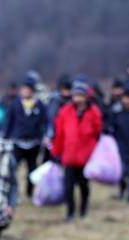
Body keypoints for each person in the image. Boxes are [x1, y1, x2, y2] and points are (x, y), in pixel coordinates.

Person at [52, 81, 102, 221]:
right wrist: (56, 152)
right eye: (76, 95)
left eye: (81, 95)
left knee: (83, 185)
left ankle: (84, 209)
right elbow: (60, 133)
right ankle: (70, 212)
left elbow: (98, 132)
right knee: (68, 187)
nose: (78, 98)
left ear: (86, 97)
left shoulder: (93, 112)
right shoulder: (65, 111)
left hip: (86, 157)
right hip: (69, 156)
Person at [2, 77, 48, 197]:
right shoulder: (15, 104)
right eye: (24, 89)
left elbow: (45, 122)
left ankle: (29, 192)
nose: (25, 92)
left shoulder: (40, 105)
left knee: (32, 169)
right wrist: (5, 137)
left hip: (34, 143)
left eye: (28, 90)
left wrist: (45, 136)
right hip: (18, 142)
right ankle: (11, 191)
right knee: (13, 168)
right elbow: (8, 121)